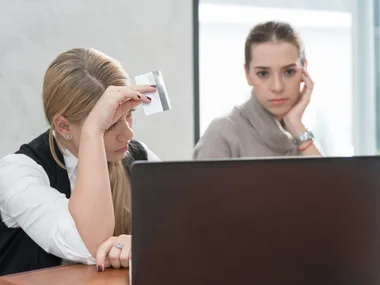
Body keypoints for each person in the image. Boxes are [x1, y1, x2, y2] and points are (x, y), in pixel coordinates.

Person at [0, 47, 160, 275]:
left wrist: (139, 242)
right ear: (64, 126)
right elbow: (89, 246)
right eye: (110, 125)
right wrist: (93, 131)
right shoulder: (17, 172)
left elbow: (185, 227)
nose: (128, 134)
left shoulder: (138, 156)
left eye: (129, 115)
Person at [193, 21, 322, 159]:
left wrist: (296, 126)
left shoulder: (302, 136)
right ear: (247, 74)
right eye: (263, 74)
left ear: (304, 70)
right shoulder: (222, 135)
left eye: (289, 72)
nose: (277, 87)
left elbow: (329, 180)